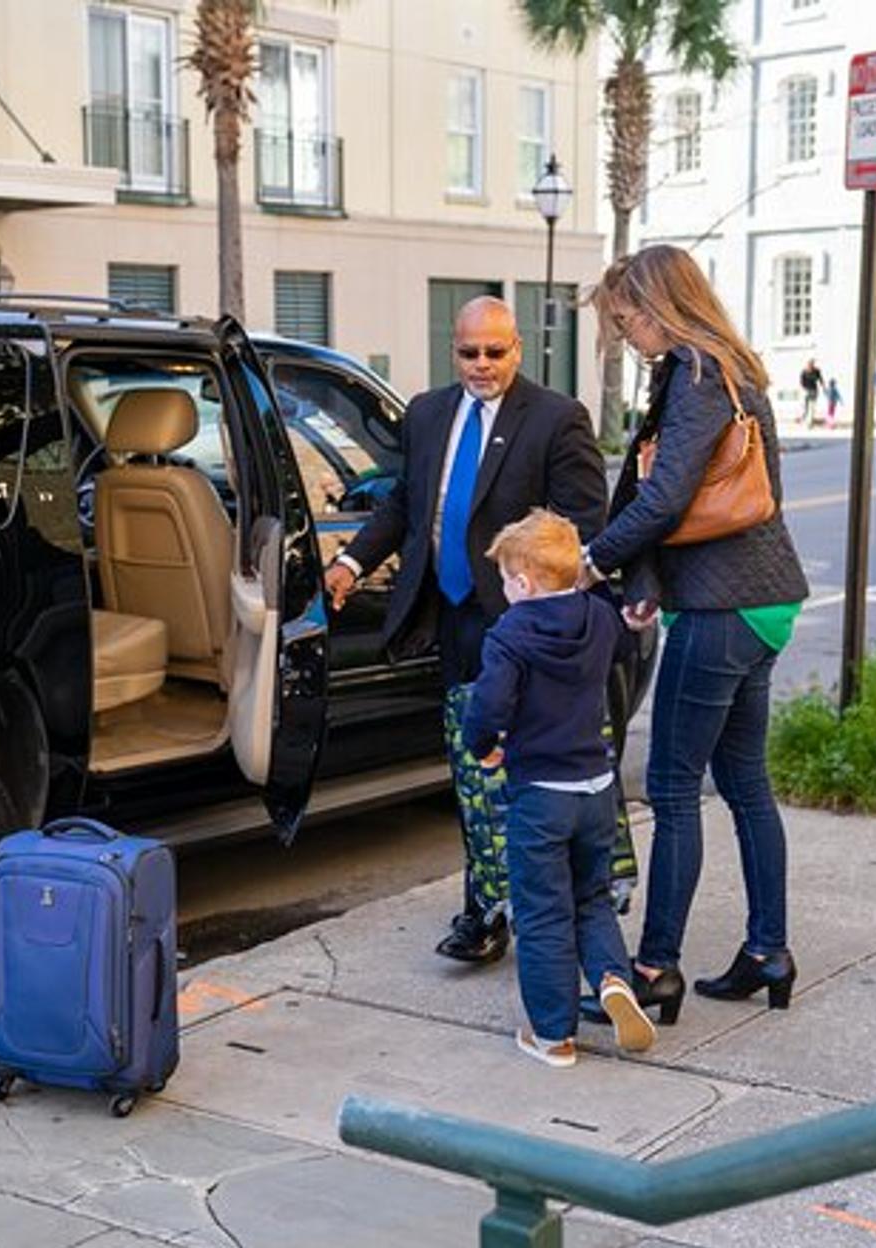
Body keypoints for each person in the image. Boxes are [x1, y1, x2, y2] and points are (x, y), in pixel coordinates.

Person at [324, 296, 618, 965]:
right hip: (451, 615)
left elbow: (582, 528)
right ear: (452, 350)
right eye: (469, 352)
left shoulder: (555, 419)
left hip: (524, 623)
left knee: (524, 771)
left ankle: (556, 911)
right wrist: (350, 560)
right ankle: (484, 909)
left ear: (518, 348)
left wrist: (552, 607)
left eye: (495, 351)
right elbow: (406, 500)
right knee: (470, 766)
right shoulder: (429, 412)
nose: (482, 365)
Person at [581, 244, 811, 1021]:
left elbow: (661, 502)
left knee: (674, 789)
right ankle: (766, 949)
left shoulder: (697, 375)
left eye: (629, 319)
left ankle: (655, 969)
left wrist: (593, 562)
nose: (628, 334)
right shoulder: (728, 367)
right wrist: (645, 584)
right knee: (746, 783)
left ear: (662, 306)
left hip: (723, 609)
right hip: (759, 602)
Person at [461, 508, 655, 1065]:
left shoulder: (510, 635)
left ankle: (553, 1035)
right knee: (590, 896)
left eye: (504, 579)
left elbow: (487, 709)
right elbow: (625, 643)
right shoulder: (597, 616)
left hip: (541, 793)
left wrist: (484, 746)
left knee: (543, 910)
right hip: (596, 789)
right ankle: (614, 981)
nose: (503, 588)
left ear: (522, 583)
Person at [797, 359, 823, 428]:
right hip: (806, 391)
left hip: (814, 390)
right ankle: (803, 419)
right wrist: (804, 388)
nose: (811, 365)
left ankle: (810, 423)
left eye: (812, 364)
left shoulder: (817, 371)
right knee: (805, 406)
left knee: (812, 407)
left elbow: (820, 379)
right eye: (809, 364)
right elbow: (801, 381)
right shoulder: (804, 372)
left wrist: (823, 387)